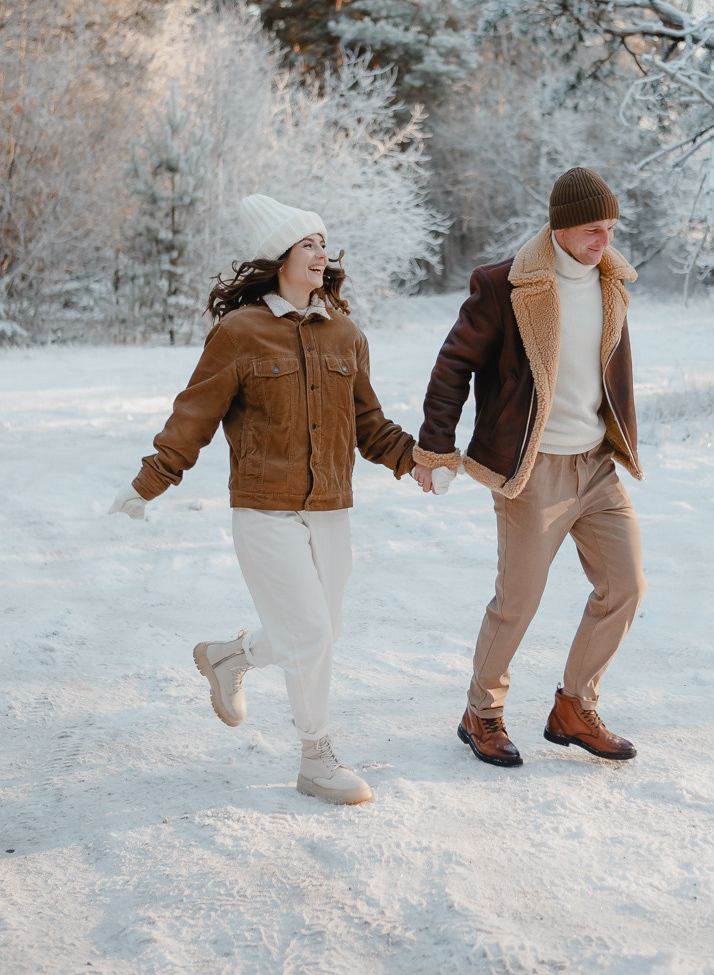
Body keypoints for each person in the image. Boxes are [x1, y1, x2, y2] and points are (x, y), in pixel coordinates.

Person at [110, 194, 418, 805]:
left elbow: (371, 425)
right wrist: (148, 483)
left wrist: (418, 463)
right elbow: (193, 415)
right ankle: (316, 755)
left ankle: (230, 657)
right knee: (308, 630)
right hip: (264, 509)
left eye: (324, 243)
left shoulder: (345, 335)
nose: (321, 253)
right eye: (309, 244)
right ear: (281, 256)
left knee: (319, 632)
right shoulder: (241, 332)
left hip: (331, 507)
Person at [412, 168, 646, 768]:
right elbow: (452, 365)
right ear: (561, 226)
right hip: (531, 470)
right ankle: (481, 713)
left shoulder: (612, 283)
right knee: (519, 601)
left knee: (624, 586)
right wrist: (436, 447)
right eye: (594, 229)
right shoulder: (504, 286)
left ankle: (574, 706)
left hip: (596, 466)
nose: (605, 241)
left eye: (612, 229)